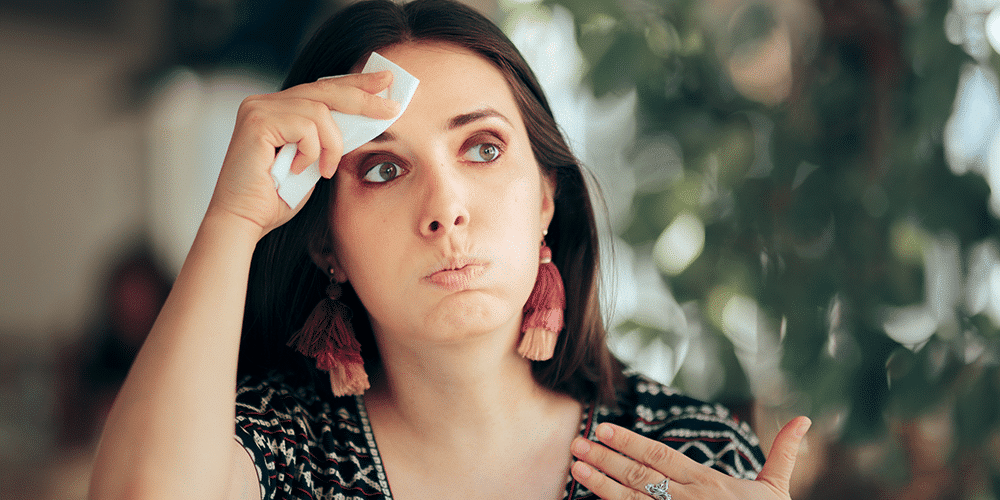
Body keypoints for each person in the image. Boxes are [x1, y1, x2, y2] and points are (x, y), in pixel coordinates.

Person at [88, 0, 810, 499]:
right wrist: (234, 220)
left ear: (546, 200)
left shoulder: (692, 456)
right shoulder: (275, 449)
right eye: (383, 168)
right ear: (325, 245)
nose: (445, 210)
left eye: (484, 148)